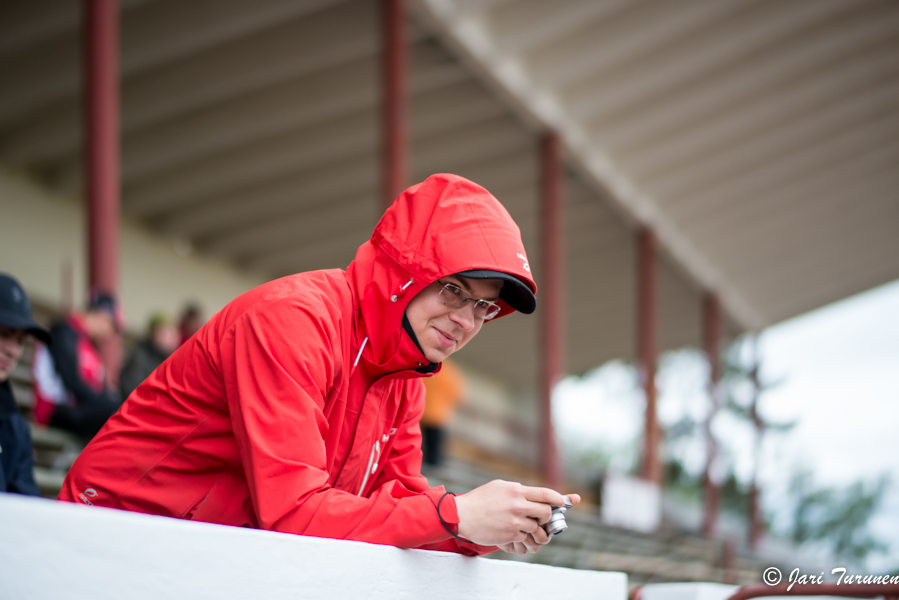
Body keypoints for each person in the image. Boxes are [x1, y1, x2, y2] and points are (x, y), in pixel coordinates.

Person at [59, 174, 580, 556]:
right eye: (453, 290)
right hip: (114, 533)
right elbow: (293, 513)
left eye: (484, 306)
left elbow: (395, 511)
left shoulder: (407, 372)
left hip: (207, 548)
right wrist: (456, 516)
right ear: (404, 272)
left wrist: (483, 529)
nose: (466, 320)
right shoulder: (294, 319)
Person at [32, 292, 122, 440]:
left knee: (121, 412)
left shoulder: (88, 345)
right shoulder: (64, 331)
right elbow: (71, 381)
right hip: (55, 409)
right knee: (115, 414)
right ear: (103, 317)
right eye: (113, 326)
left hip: (78, 410)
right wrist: (110, 405)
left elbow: (99, 390)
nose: (110, 333)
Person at [0, 273, 51, 496]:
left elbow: (25, 502)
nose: (13, 351)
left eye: (21, 341)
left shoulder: (15, 426)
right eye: (4, 334)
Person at [119, 313, 179, 399]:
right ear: (154, 334)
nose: (174, 337)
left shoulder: (172, 359)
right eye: (168, 332)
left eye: (175, 332)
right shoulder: (140, 356)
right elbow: (131, 388)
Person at [421, 358, 466, 467]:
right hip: (439, 415)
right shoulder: (451, 373)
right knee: (434, 447)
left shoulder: (429, 367)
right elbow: (459, 396)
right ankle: (432, 466)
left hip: (423, 410)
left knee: (419, 441)